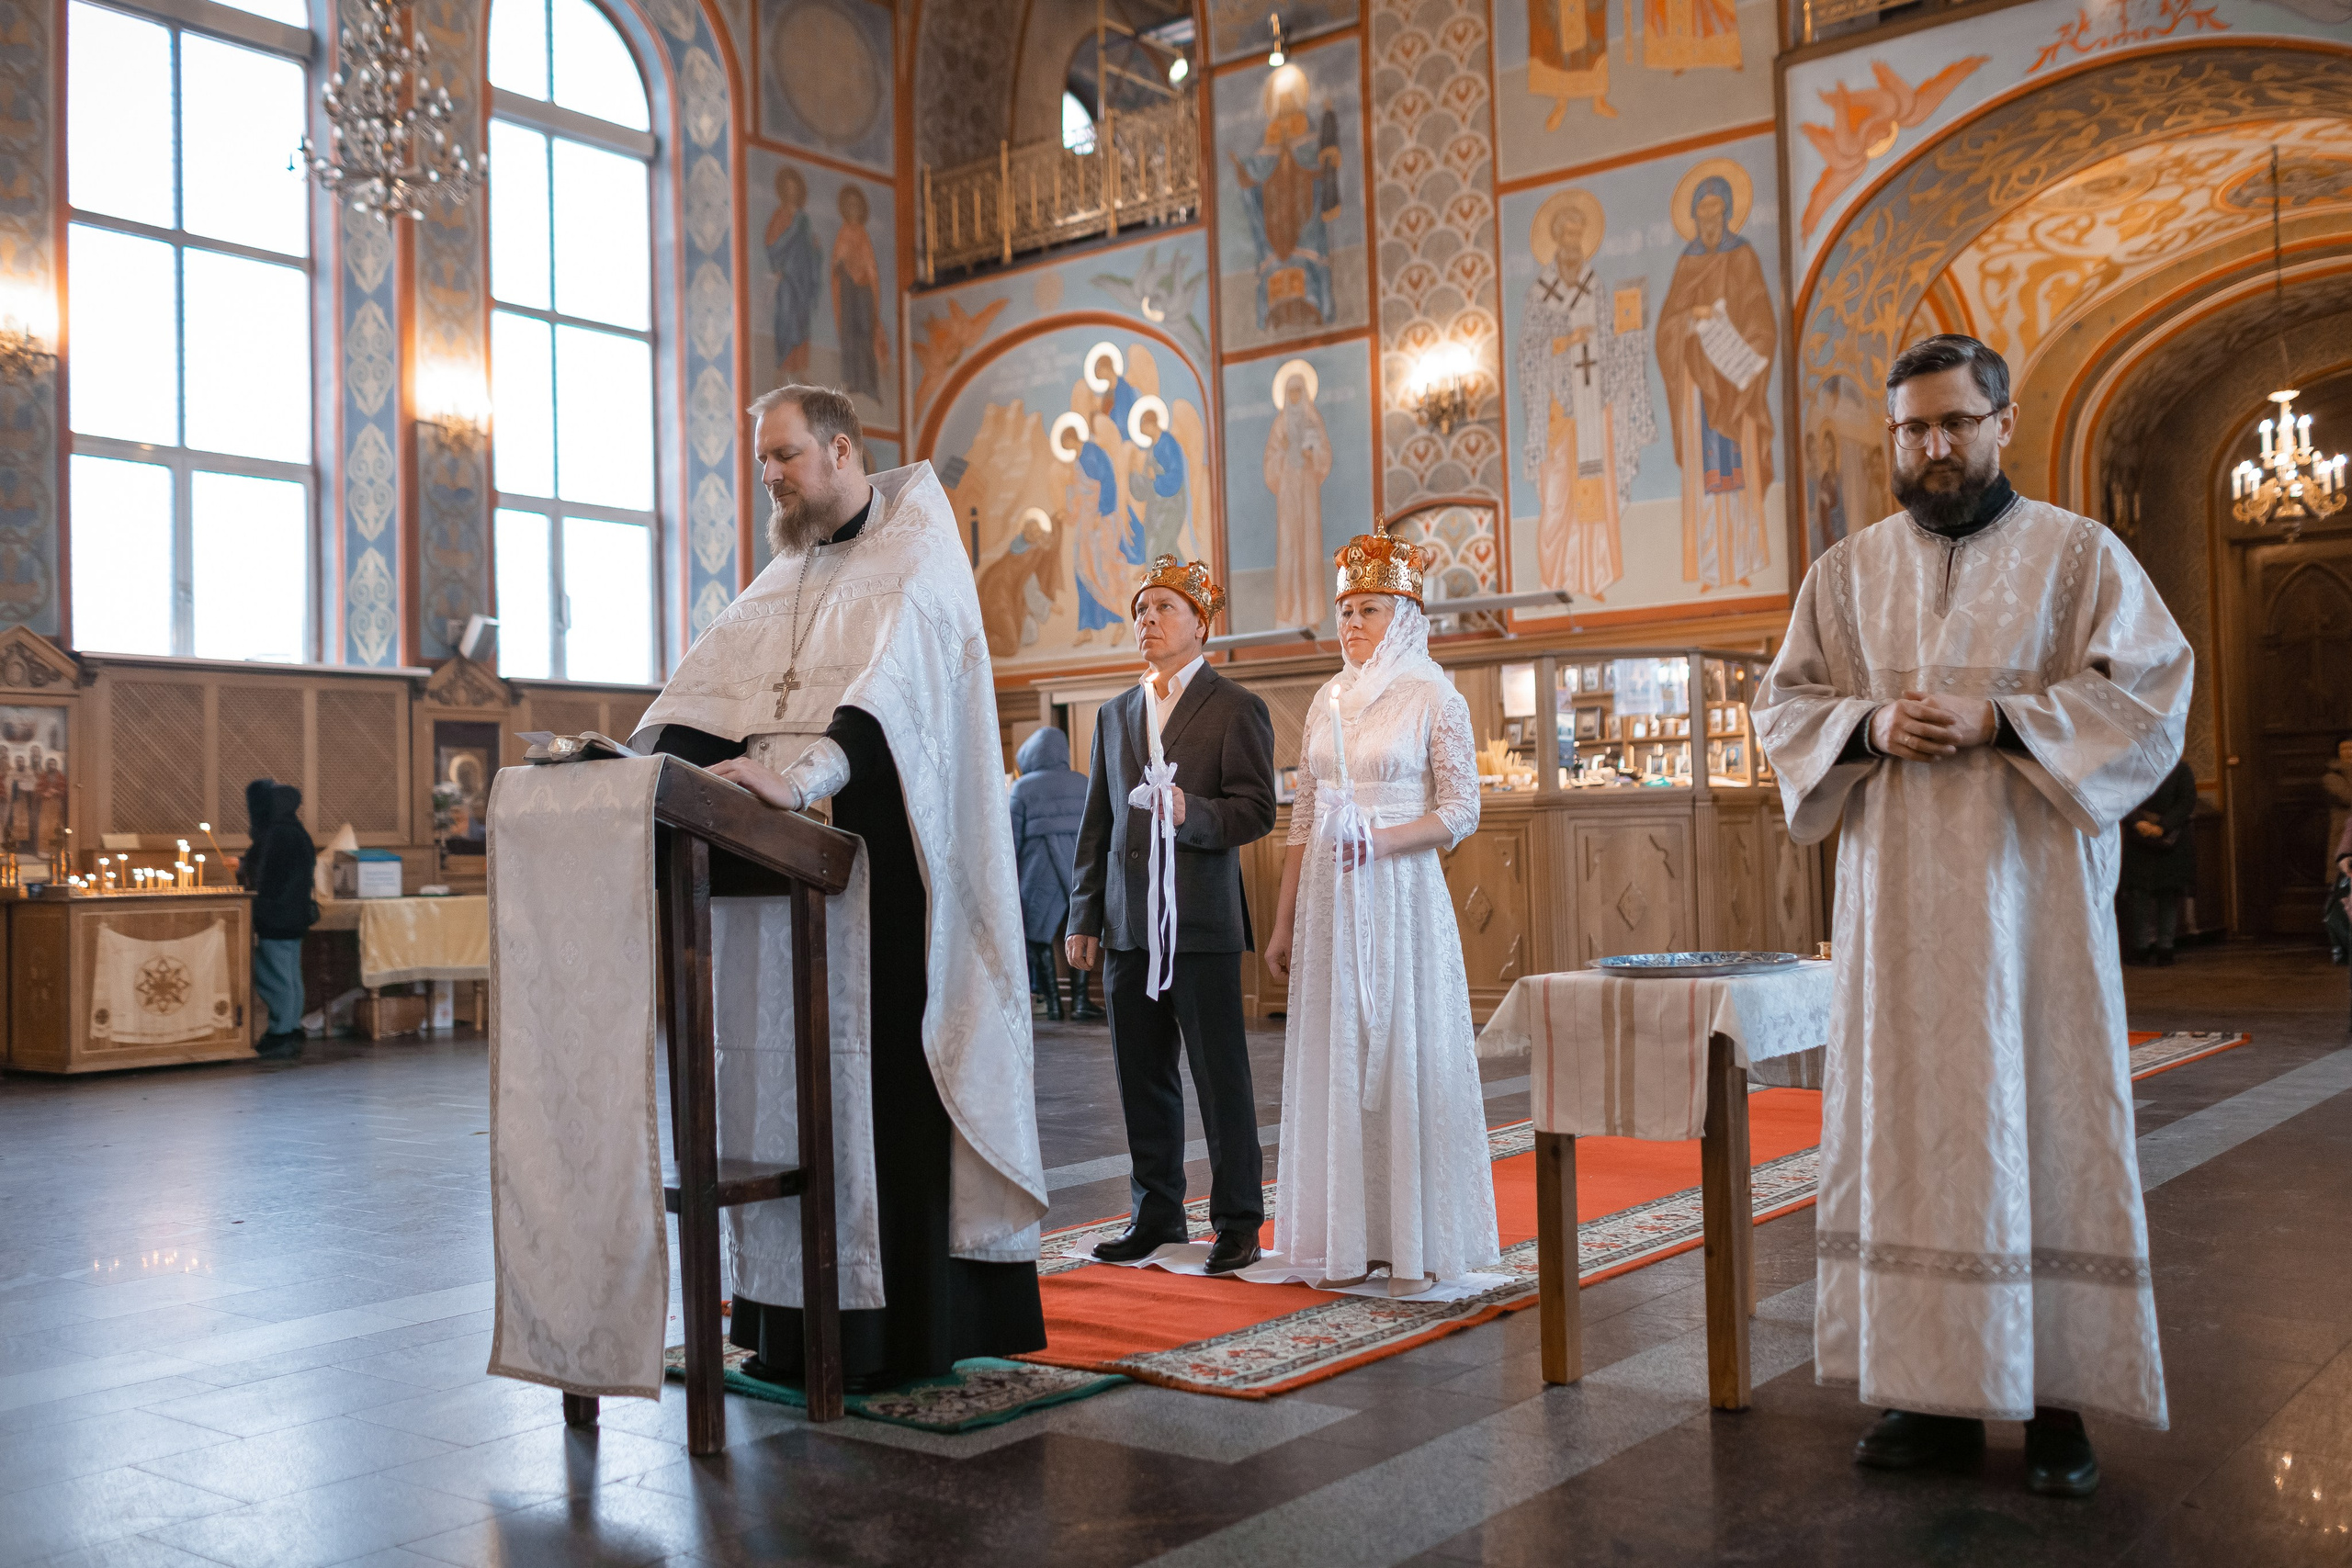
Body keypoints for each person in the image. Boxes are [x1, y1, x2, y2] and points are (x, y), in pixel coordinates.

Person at [1753, 333, 2191, 1498]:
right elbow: (1781, 704)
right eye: (1913, 428)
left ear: (2001, 423)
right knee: (1909, 1136)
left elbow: (2152, 694)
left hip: (2029, 910)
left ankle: (2055, 1405)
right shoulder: (1844, 575)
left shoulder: (2077, 557)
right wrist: (1866, 727)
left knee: (2044, 1121)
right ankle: (1928, 1395)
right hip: (1895, 915)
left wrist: (2003, 724)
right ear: (1891, 437)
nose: (1933, 446)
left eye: (1954, 422)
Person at [633, 384, 1047, 1392]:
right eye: (761, 460)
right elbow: (704, 697)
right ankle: (790, 1319)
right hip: (775, 876)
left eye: (781, 456)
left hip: (889, 870)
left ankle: (903, 1331)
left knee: (881, 1088)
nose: (766, 477)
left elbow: (885, 705)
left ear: (841, 450)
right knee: (786, 1087)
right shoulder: (785, 574)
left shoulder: (918, 554)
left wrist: (803, 778)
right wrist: (637, 770)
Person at [1260, 524, 1499, 1295]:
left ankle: (1411, 1232)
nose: (1351, 623)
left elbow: (1463, 810)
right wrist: (1284, 918)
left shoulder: (1434, 693)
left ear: (1402, 615)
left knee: (1401, 1047)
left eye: (1368, 609)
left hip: (1399, 898)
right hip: (1333, 900)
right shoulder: (1328, 698)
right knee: (1341, 1053)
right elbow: (1301, 818)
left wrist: (1385, 839)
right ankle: (1345, 1231)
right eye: (1344, 610)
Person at [1066, 558, 1277, 1275]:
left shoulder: (1234, 706)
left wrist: (1192, 814)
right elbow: (1097, 821)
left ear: (1200, 623)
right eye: (1140, 609)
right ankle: (1156, 1213)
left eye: (1162, 607)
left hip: (1200, 925)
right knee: (1141, 1076)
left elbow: (1257, 810)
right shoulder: (1115, 712)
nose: (1146, 620)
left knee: (1221, 1078)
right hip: (1128, 926)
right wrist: (1083, 916)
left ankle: (1239, 1220)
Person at [1009, 724, 1097, 1021]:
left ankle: (1053, 1005)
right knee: (1080, 932)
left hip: (1038, 874)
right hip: (1077, 871)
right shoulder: (1083, 782)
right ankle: (1082, 1002)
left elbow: (1011, 839)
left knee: (1038, 937)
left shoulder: (1022, 788)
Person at [243, 779, 316, 1060]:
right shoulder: (296, 831)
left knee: (276, 976)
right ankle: (289, 1029)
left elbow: (269, 877)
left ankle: (281, 1033)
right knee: (290, 975)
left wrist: (244, 869)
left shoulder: (277, 834)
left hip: (276, 915)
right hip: (294, 914)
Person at [2120, 758, 2197, 966]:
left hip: (2170, 841)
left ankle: (2165, 948)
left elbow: (2187, 801)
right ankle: (2141, 947)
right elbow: (2122, 797)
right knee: (2139, 896)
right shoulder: (2134, 765)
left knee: (2168, 895)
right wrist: (2138, 822)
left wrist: (2163, 826)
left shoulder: (2180, 768)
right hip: (2141, 839)